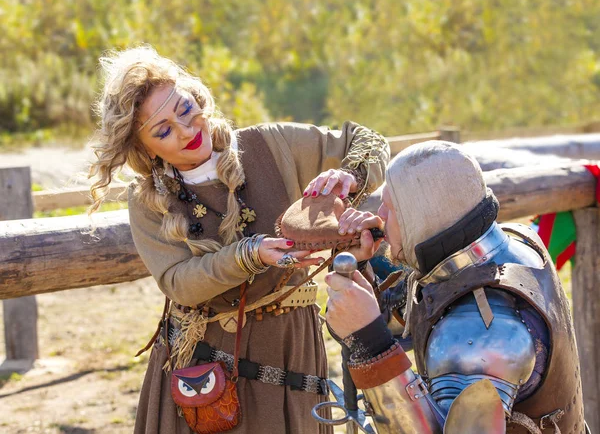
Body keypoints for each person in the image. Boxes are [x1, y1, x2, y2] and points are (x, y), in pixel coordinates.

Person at [88, 46, 390, 434]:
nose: (185, 130)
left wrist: (349, 177)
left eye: (184, 110)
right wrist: (251, 255)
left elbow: (368, 141)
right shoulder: (148, 200)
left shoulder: (272, 144)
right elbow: (179, 283)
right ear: (143, 149)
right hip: (204, 365)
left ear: (194, 96)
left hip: (289, 345)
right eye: (163, 130)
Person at [324, 141, 588, 433]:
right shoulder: (515, 244)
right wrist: (362, 269)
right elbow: (402, 319)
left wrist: (368, 342)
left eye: (391, 207)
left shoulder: (476, 338)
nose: (380, 216)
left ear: (422, 215)